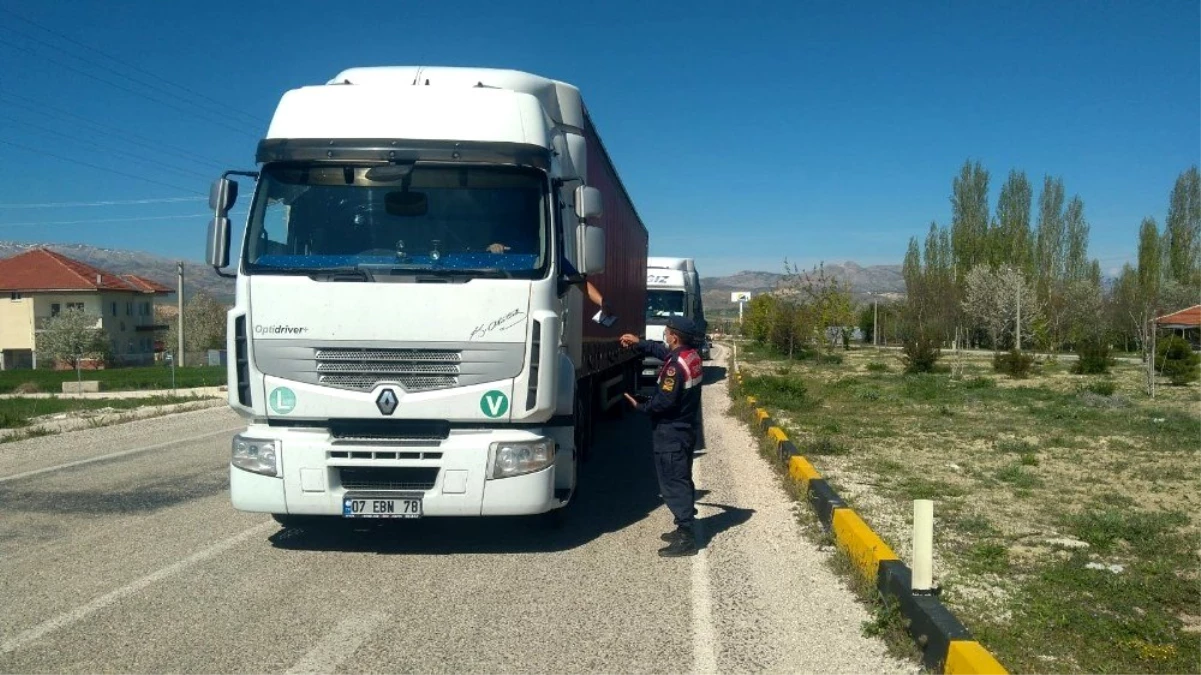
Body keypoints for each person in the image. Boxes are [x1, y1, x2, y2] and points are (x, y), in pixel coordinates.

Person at [620, 316, 705, 557]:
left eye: (667, 332)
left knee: (672, 482)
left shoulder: (674, 367)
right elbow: (663, 351)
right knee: (682, 476)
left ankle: (686, 535)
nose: (665, 336)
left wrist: (641, 406)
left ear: (675, 337)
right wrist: (640, 343)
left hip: (671, 432)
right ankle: (684, 524)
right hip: (685, 427)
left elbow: (664, 402)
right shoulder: (691, 356)